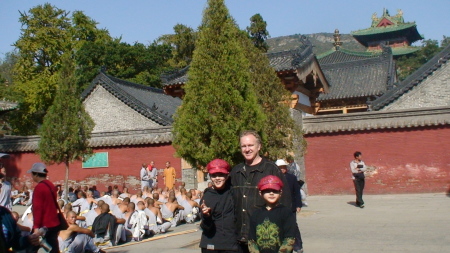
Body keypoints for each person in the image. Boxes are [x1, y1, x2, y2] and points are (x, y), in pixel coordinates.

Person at [229, 130, 291, 253]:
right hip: (240, 239)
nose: (247, 149)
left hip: (265, 239)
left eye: (250, 145)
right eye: (243, 146)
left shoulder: (271, 170)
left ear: (259, 147)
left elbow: (286, 203)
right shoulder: (236, 172)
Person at [248, 175, 296, 253]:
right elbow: (251, 240)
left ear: (280, 192)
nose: (271, 193)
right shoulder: (256, 214)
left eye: (275, 190)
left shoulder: (286, 212)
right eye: (267, 190)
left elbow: (290, 238)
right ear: (260, 193)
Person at [199, 159, 238, 252]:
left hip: (231, 244)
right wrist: (206, 216)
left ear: (227, 175)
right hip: (211, 244)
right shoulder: (207, 196)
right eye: (214, 175)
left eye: (221, 175)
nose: (217, 178)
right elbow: (205, 227)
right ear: (210, 177)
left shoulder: (234, 192)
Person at [28, 162, 62, 253]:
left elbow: (38, 209)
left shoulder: (39, 188)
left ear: (36, 174)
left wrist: (36, 227)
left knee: (31, 248)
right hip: (54, 223)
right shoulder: (50, 185)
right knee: (53, 248)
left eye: (32, 174)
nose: (31, 176)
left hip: (44, 225)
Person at [276, 159, 303, 253]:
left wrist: (298, 205)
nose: (282, 169)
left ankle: (298, 245)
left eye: (283, 167)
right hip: (278, 206)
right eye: (280, 168)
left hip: (291, 206)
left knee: (293, 226)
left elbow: (297, 192)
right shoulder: (274, 178)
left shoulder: (291, 178)